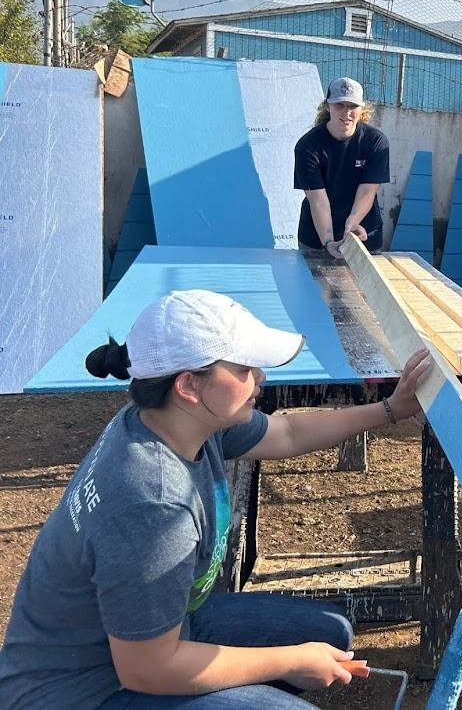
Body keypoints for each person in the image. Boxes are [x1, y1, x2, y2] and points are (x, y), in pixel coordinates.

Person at [0, 289, 431, 709]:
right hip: (87, 689)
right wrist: (289, 662)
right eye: (244, 368)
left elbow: (288, 432)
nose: (260, 377)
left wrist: (390, 408)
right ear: (188, 384)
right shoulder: (152, 503)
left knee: (329, 632)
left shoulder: (174, 420)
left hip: (152, 635)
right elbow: (147, 669)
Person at [293, 77, 389, 258]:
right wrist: (328, 242)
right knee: (315, 286)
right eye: (340, 105)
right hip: (316, 238)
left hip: (363, 235)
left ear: (362, 109)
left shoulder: (376, 142)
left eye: (353, 106)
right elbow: (318, 201)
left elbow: (367, 192)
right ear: (327, 106)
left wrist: (352, 224)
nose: (347, 113)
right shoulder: (308, 146)